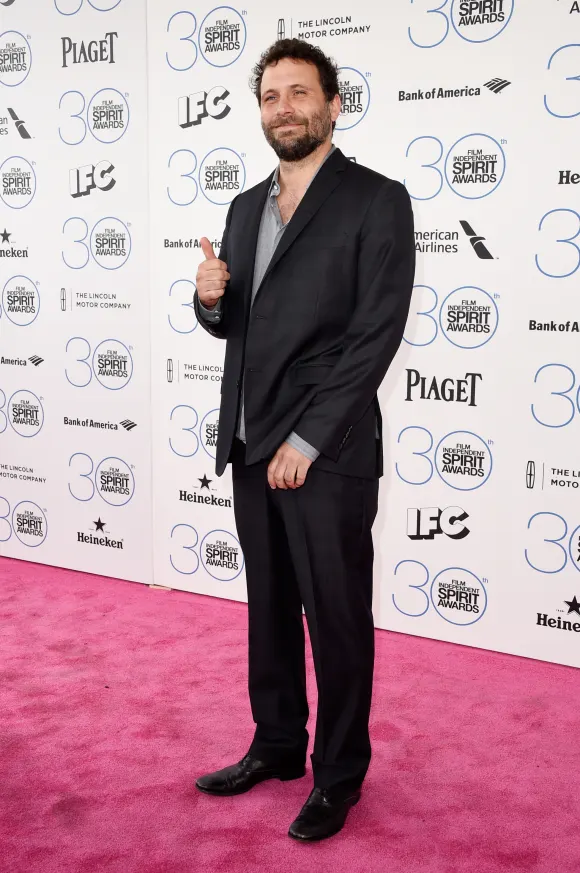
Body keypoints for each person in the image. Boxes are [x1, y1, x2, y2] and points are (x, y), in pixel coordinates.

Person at [193, 38, 415, 842]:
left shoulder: (376, 199)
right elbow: (241, 326)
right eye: (270, 96)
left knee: (337, 617)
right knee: (270, 613)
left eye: (298, 92)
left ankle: (338, 774)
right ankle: (279, 743)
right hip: (252, 448)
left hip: (327, 451)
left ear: (333, 104)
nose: (282, 107)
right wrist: (211, 300)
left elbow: (373, 335)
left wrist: (310, 438)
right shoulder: (245, 206)